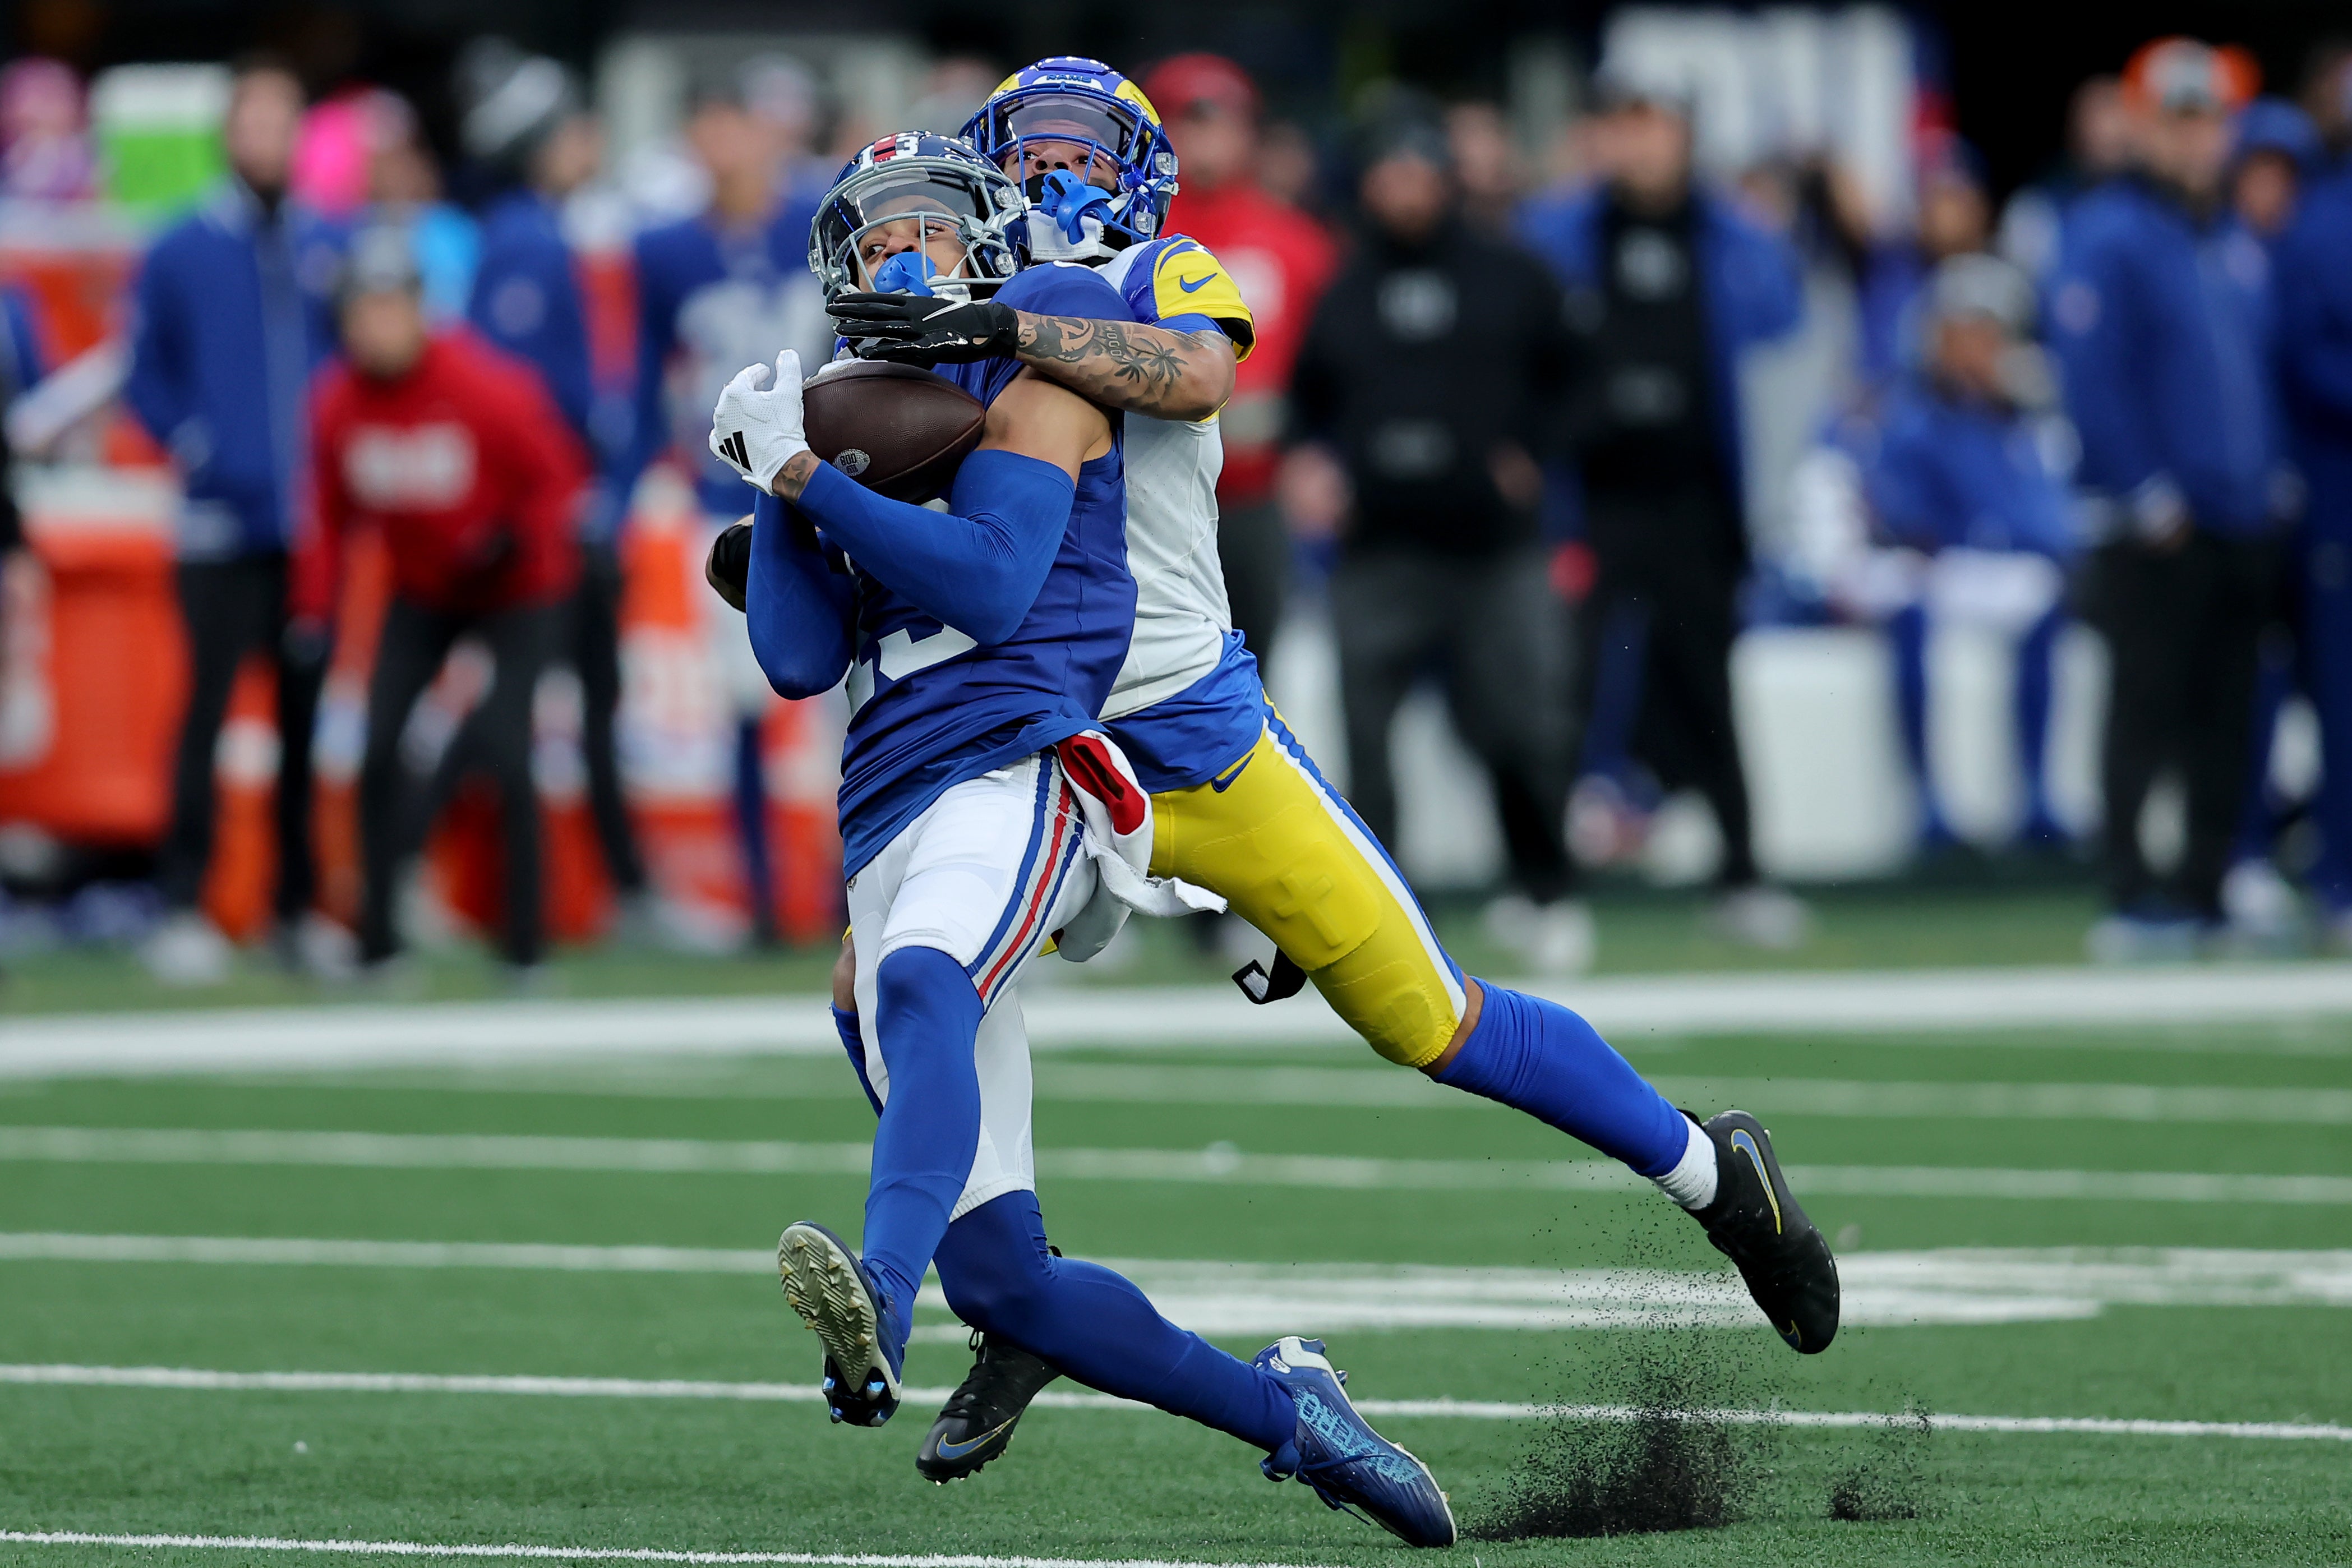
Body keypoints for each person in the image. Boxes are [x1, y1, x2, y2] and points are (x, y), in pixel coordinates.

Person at [768, 64, 1838, 1488]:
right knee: (880, 982)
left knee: (1429, 1018)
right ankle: (1011, 1288)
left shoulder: (1122, 280)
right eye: (1028, 154)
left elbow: (1206, 370)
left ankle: (1712, 1174)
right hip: (1020, 739)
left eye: (1087, 154)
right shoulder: (934, 316)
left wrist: (993, 321)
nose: (1057, 178)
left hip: (1185, 735)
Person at [714, 133, 1459, 1548]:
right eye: (876, 241)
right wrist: (776, 488)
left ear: (987, 238)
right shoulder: (841, 415)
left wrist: (812, 484)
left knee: (925, 983)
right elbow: (802, 662)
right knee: (1012, 1281)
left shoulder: (1043, 381)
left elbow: (994, 587)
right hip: (888, 806)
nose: (904, 256)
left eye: (929, 228)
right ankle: (1296, 1413)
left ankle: (874, 1288)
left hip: (1019, 765)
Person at [1289, 115, 1590, 972]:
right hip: (1379, 548)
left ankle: (1543, 888)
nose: (1403, 191)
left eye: (1416, 173)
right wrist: (1312, 467)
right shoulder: (1343, 289)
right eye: (1386, 174)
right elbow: (1311, 403)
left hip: (1491, 549)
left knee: (1520, 724)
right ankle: (1384, 915)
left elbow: (1574, 378)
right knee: (1366, 735)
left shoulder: (1512, 274)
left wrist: (1531, 451)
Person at [1519, 64, 1810, 949]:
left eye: (1655, 124)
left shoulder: (1735, 237)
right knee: (1566, 686)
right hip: (1590, 498)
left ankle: (1742, 874)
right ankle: (1547, 888)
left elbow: (1784, 345)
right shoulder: (1557, 232)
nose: (1639, 142)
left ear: (1684, 134)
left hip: (1695, 496)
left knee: (1708, 682)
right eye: (1623, 123)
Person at [2050, 38, 2296, 958]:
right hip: (2154, 524)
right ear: (2145, 127)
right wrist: (2140, 487)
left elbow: (2249, 379)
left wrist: (2267, 479)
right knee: (2144, 708)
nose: (2194, 143)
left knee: (2228, 714)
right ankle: (2128, 888)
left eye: (2206, 124)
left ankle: (2204, 882)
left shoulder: (2228, 239)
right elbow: (2092, 376)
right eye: (2177, 123)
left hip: (2237, 515)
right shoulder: (2107, 231)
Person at [456, 50, 707, 951]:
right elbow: (518, 397)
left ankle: (619, 884)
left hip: (580, 505)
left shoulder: (561, 233)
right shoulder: (523, 240)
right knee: (525, 705)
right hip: (552, 517)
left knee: (579, 704)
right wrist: (578, 489)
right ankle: (422, 864)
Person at [293, 228, 584, 980]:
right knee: (376, 743)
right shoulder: (338, 402)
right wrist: (314, 611)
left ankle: (523, 946)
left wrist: (514, 537)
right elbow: (328, 517)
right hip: (423, 588)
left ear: (420, 312)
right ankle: (376, 941)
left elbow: (558, 479)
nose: (376, 327)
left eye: (390, 308)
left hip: (516, 585)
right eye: (363, 311)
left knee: (504, 744)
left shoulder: (484, 387)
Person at [124, 54, 348, 985]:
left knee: (304, 725)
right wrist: (195, 444)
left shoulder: (322, 244)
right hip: (218, 529)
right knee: (206, 715)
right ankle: (183, 903)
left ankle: (296, 908)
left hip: (307, 534)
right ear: (229, 134)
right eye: (253, 123)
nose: (268, 141)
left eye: (282, 123)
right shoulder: (180, 246)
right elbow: (143, 371)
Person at [617, 57, 835, 947]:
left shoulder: (818, 224)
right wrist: (632, 479)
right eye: (701, 131)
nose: (718, 147)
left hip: (835, 484)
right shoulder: (665, 249)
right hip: (729, 490)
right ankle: (761, 902)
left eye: (728, 125)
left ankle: (848, 892)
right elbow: (644, 376)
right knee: (749, 704)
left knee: (849, 700)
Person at [1858, 256, 2078, 851]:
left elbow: (2051, 517)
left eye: (1986, 337)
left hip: (2004, 567)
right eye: (1961, 336)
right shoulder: (1911, 417)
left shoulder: (2025, 421)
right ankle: (1927, 797)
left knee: (2045, 613)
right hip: (1942, 567)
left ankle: (2035, 791)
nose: (1974, 351)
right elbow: (1900, 511)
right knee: (1906, 612)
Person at [1138, 52, 1337, 670]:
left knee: (1255, 660)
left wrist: (1323, 448)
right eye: (1188, 121)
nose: (1207, 138)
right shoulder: (1137, 238)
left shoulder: (1297, 241)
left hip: (1258, 492)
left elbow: (1337, 364)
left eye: (1221, 120)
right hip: (1149, 490)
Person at [2275, 115, 2352, 949]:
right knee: (2342, 699)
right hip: (2338, 496)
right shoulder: (2321, 222)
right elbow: (2302, 352)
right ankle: (2340, 878)